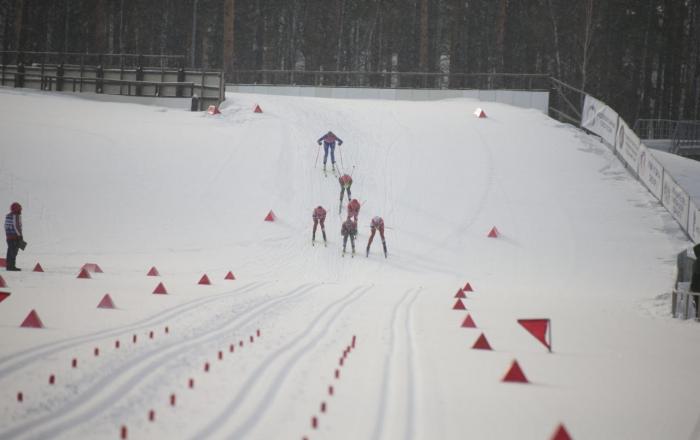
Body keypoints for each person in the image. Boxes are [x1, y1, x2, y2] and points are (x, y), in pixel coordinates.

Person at [5, 202, 24, 271]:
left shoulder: (8, 215)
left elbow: (6, 226)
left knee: (10, 252)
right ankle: (12, 267)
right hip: (15, 237)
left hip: (9, 237)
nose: (21, 210)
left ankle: (9, 266)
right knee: (13, 252)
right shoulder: (16, 216)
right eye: (20, 208)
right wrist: (20, 236)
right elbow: (17, 226)